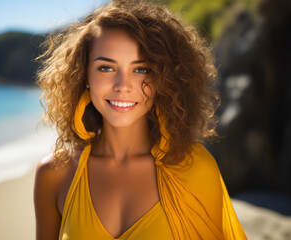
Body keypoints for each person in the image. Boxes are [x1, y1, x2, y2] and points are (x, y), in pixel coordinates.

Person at [34, 0, 246, 239]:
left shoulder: (197, 168)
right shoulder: (54, 174)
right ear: (84, 75)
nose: (123, 86)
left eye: (141, 69)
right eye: (106, 68)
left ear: (163, 80)